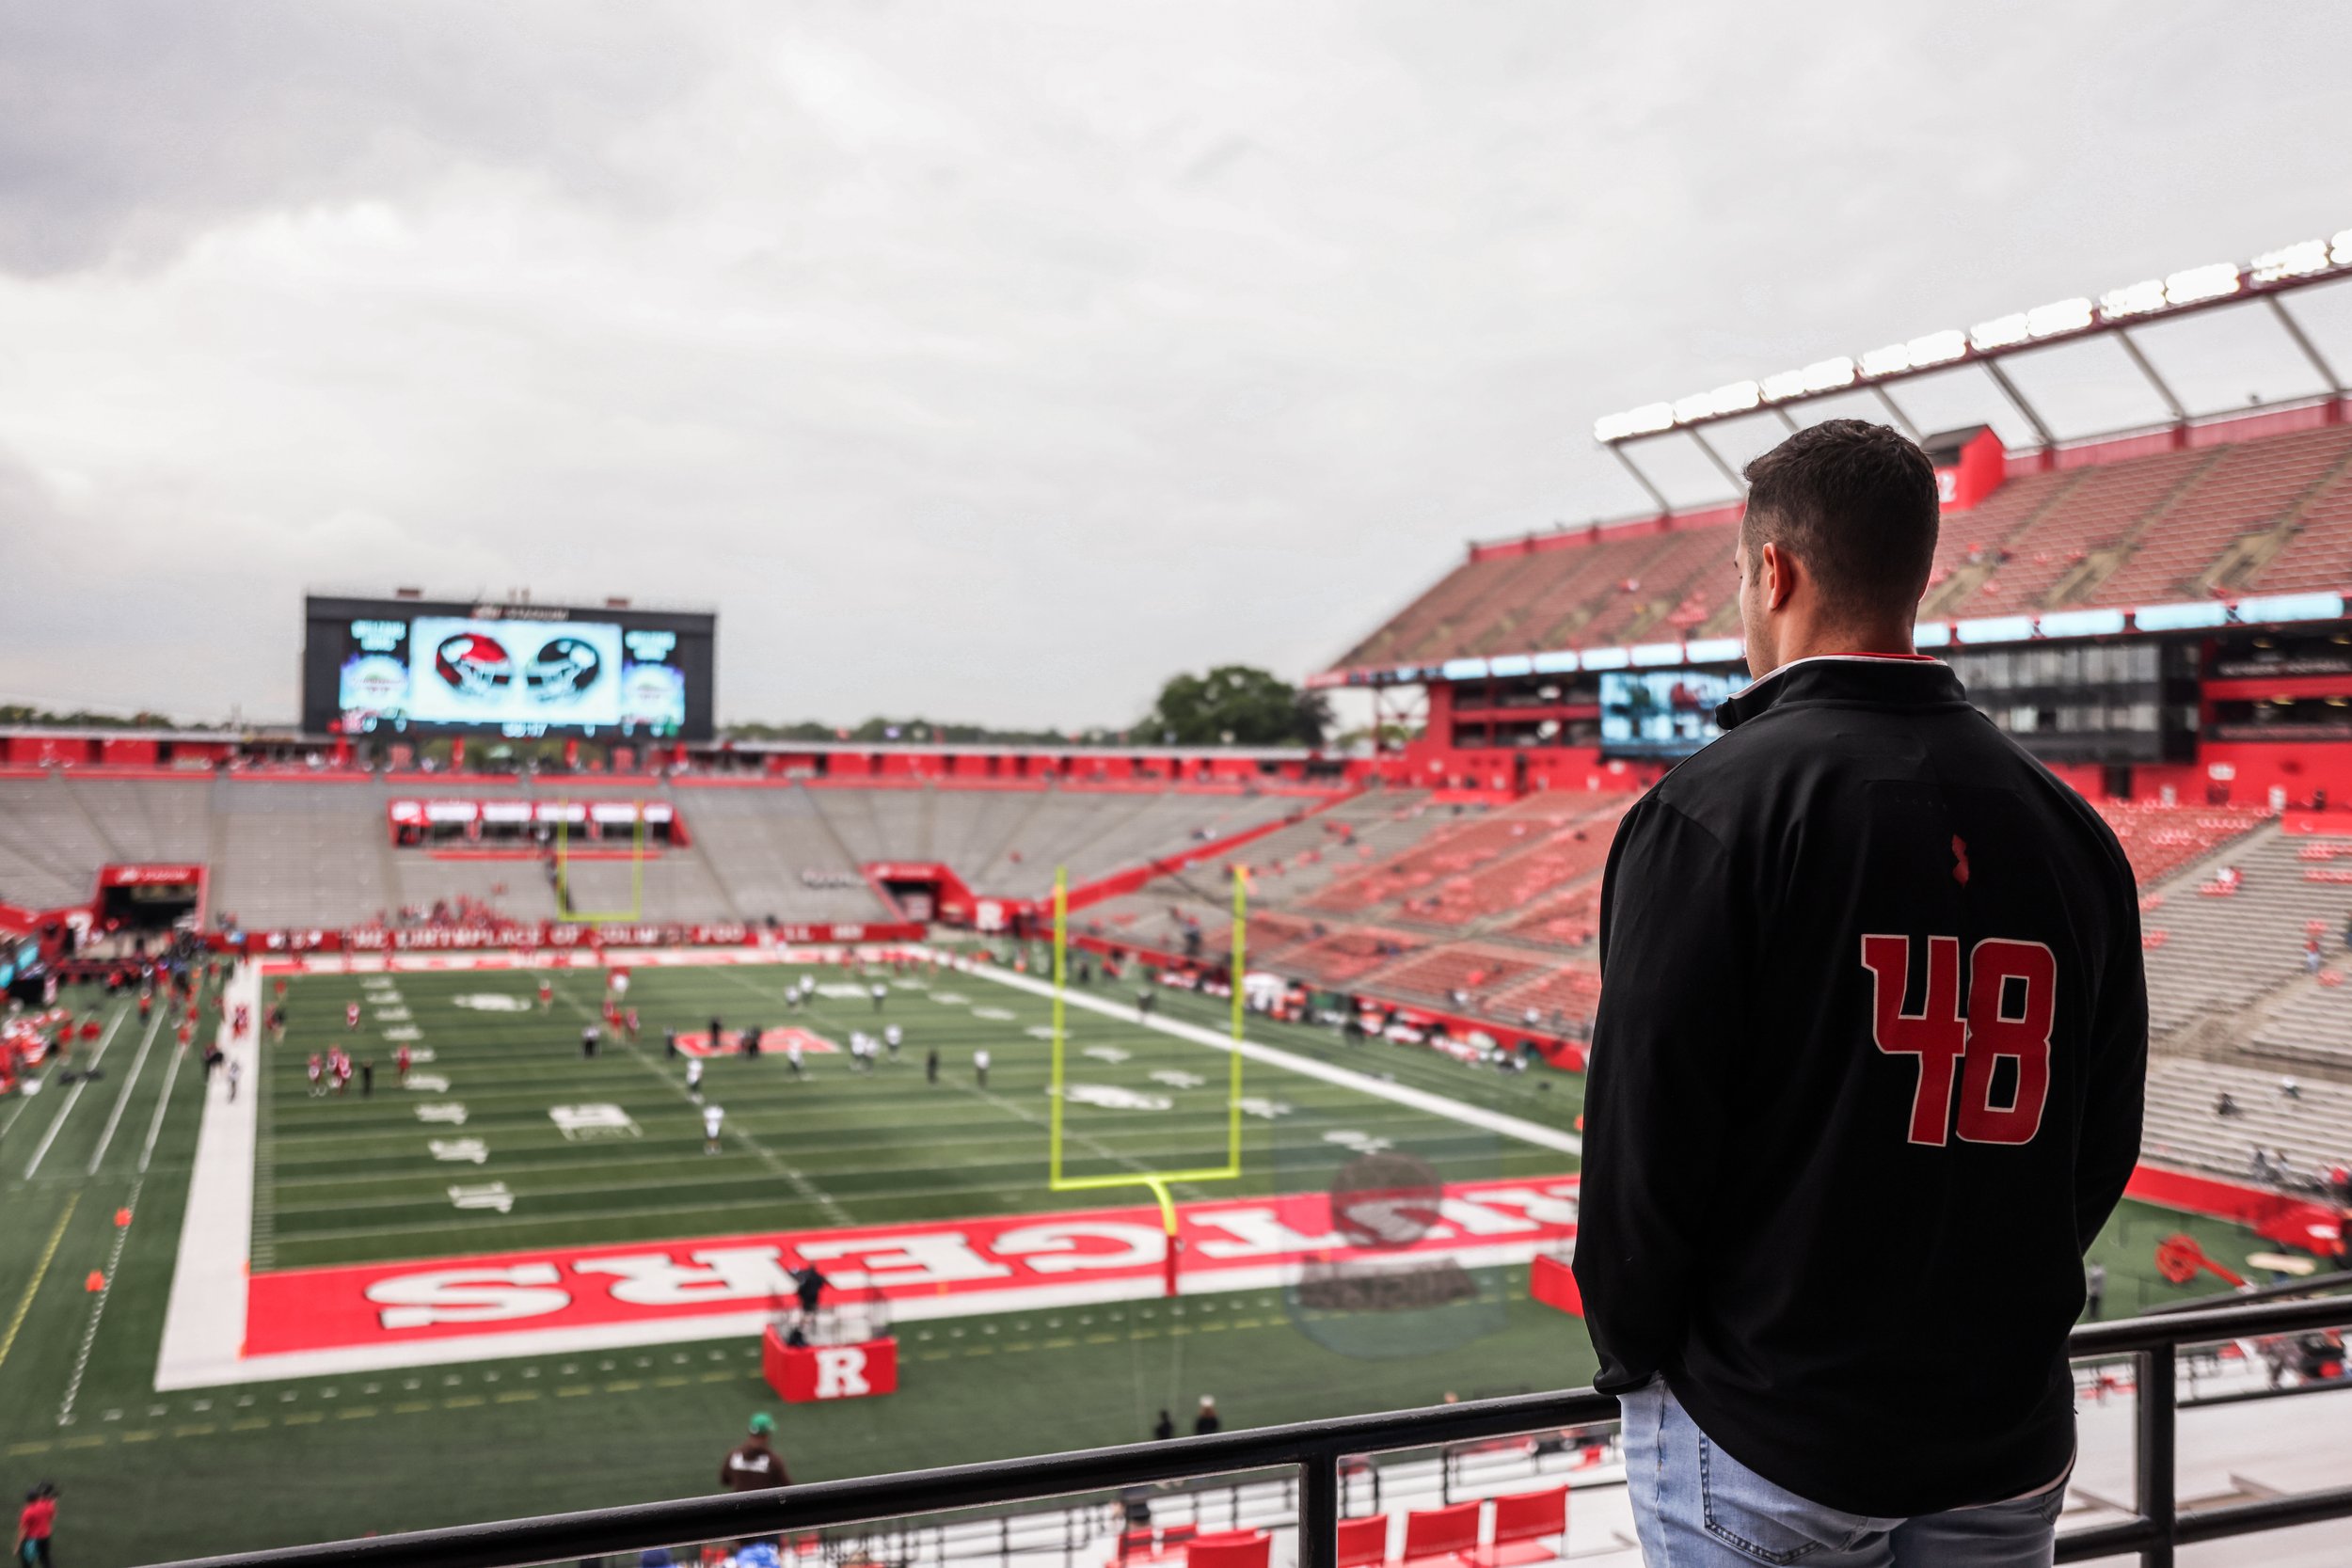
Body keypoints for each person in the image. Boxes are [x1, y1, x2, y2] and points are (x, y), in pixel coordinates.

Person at [1574, 421, 2145, 1561]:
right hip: (2002, 1424)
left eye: (1743, 576)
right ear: (1917, 574)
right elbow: (2099, 1141)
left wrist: (1642, 1354)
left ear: (1773, 570)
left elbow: (1645, 1142)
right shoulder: (2070, 826)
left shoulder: (1711, 806)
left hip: (1771, 1422)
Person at [720, 1413, 790, 1492]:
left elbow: (725, 1480)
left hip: (738, 1499)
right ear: (766, 1435)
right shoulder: (773, 1460)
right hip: (764, 1499)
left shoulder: (733, 1455)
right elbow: (787, 1487)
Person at [16, 1482, 56, 1568]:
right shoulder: (47, 1505)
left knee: (27, 1563)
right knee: (45, 1560)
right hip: (45, 1538)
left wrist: (18, 1546)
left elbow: (23, 1530)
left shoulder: (27, 1512)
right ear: (38, 1498)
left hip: (32, 1541)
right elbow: (52, 1516)